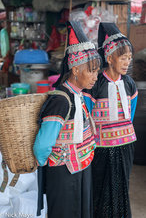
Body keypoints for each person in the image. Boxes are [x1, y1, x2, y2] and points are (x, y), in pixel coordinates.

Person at [33, 21, 101, 218]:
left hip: (80, 169)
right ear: (76, 69)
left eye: (97, 71)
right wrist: (46, 163)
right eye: (91, 70)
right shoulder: (61, 100)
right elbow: (42, 146)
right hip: (64, 174)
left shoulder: (77, 95)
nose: (95, 77)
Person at [83, 22, 138, 218]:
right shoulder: (95, 84)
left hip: (125, 145)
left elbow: (130, 115)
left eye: (129, 58)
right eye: (123, 58)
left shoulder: (130, 84)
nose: (127, 63)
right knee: (100, 187)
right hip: (100, 147)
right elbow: (87, 115)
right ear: (110, 58)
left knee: (122, 186)